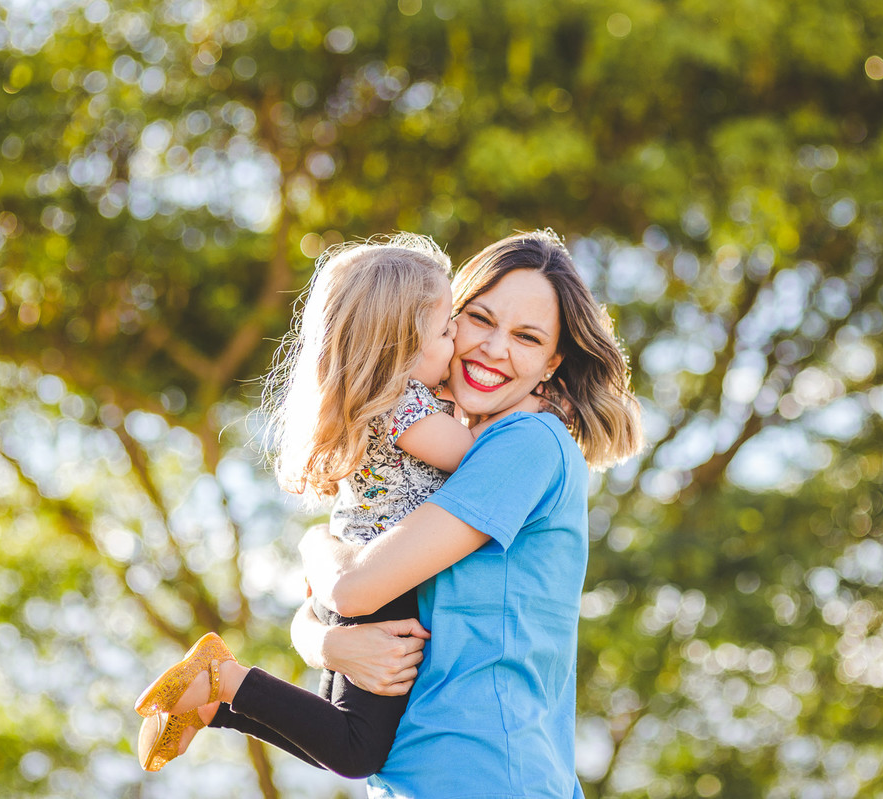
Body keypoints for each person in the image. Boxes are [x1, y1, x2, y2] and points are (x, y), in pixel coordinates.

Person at [132, 234, 539, 775]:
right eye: (446, 330)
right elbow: (476, 460)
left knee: (340, 735)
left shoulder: (389, 401)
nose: (458, 339)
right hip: (384, 581)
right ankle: (224, 679)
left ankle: (216, 705)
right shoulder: (407, 407)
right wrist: (521, 408)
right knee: (356, 752)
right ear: (402, 345)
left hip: (354, 575)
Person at [293, 230, 644, 797]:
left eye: (526, 337)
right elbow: (335, 604)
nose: (493, 349)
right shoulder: (429, 446)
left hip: (488, 773)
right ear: (441, 325)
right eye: (479, 319)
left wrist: (314, 545)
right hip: (420, 774)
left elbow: (352, 589)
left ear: (552, 364)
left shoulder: (525, 443)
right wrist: (321, 643)